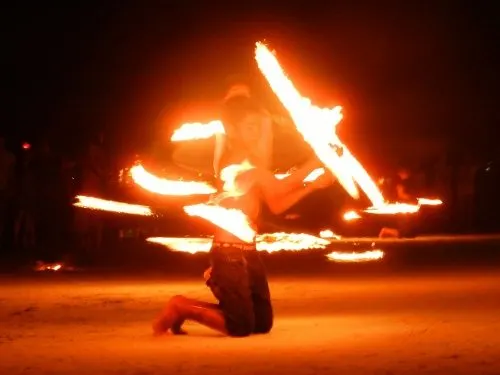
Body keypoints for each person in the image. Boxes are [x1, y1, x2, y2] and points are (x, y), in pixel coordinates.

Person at [152, 85, 333, 337]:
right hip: (229, 254)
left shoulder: (254, 162)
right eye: (250, 127)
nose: (257, 132)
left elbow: (277, 203)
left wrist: (313, 185)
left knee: (261, 323)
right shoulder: (235, 163)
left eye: (258, 127)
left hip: (249, 253)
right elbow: (280, 185)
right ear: (234, 131)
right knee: (240, 327)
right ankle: (181, 306)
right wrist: (317, 160)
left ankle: (211, 288)